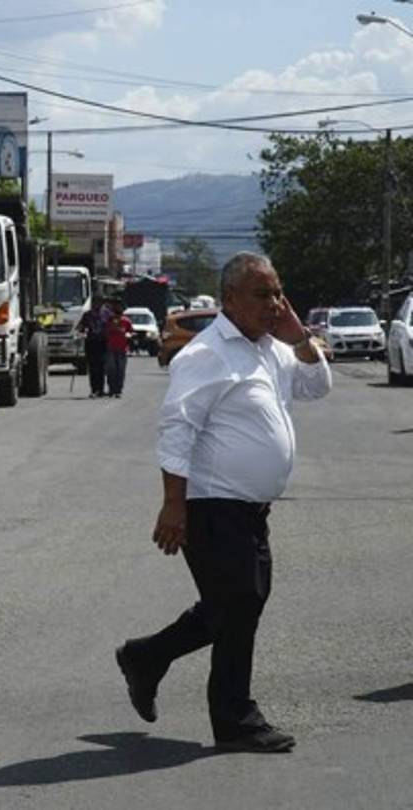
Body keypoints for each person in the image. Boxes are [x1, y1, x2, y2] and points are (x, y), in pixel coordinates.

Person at [114, 252, 330, 753]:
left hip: (249, 509)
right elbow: (177, 428)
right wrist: (174, 505)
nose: (274, 303)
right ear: (230, 300)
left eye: (279, 293)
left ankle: (146, 657)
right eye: (263, 294)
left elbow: (317, 387)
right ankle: (234, 718)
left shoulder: (272, 349)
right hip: (212, 503)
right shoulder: (206, 355)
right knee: (239, 605)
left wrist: (298, 337)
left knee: (235, 606)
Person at [76, 296, 107, 398]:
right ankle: (94, 390)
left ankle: (101, 390)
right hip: (91, 343)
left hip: (103, 343)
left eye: (99, 302)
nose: (97, 304)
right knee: (93, 368)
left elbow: (113, 324)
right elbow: (80, 327)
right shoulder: (87, 315)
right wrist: (82, 332)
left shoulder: (107, 314)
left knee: (101, 368)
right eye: (95, 302)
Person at [103, 302, 133, 398]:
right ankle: (111, 389)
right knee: (111, 370)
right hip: (111, 348)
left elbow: (131, 332)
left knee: (120, 370)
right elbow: (105, 332)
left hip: (122, 348)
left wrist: (128, 335)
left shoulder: (126, 321)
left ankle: (118, 390)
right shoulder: (109, 320)